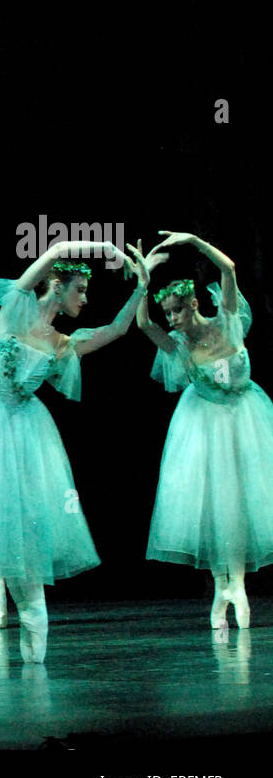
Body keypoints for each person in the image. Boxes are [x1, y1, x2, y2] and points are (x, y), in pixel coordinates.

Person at [0, 240, 151, 663]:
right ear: (56, 286)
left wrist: (141, 287)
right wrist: (99, 245)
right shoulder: (15, 307)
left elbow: (115, 330)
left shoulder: (62, 342)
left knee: (25, 525)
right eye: (79, 290)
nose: (84, 298)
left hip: (26, 434)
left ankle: (33, 639)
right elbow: (55, 250)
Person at [134, 231, 272, 629]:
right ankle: (219, 586)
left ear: (194, 304)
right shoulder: (178, 345)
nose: (172, 320)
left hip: (245, 419)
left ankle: (238, 586)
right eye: (169, 315)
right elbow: (143, 323)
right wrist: (143, 280)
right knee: (212, 502)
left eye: (177, 311)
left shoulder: (229, 322)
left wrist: (193, 240)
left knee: (244, 500)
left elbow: (228, 267)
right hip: (203, 424)